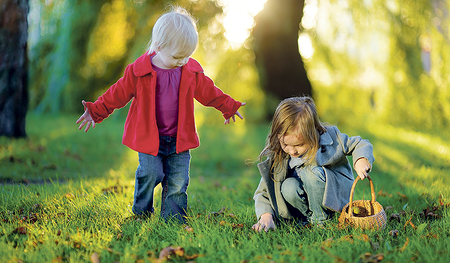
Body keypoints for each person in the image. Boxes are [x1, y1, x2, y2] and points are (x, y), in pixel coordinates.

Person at [76, 6, 245, 223]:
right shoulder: (139, 71)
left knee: (178, 181)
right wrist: (96, 111)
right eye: (177, 56)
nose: (182, 61)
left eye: (187, 56)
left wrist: (228, 106)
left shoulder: (191, 71)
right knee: (150, 174)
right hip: (150, 139)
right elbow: (116, 94)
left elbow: (209, 92)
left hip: (179, 140)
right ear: (158, 46)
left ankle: (173, 219)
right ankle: (142, 212)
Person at [252, 97, 373, 232]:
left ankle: (322, 221)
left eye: (299, 145)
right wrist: (266, 216)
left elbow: (360, 143)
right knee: (288, 186)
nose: (292, 151)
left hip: (331, 200)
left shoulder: (332, 137)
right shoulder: (279, 155)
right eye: (285, 144)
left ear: (313, 132)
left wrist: (361, 159)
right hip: (303, 205)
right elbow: (263, 190)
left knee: (310, 172)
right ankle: (306, 220)